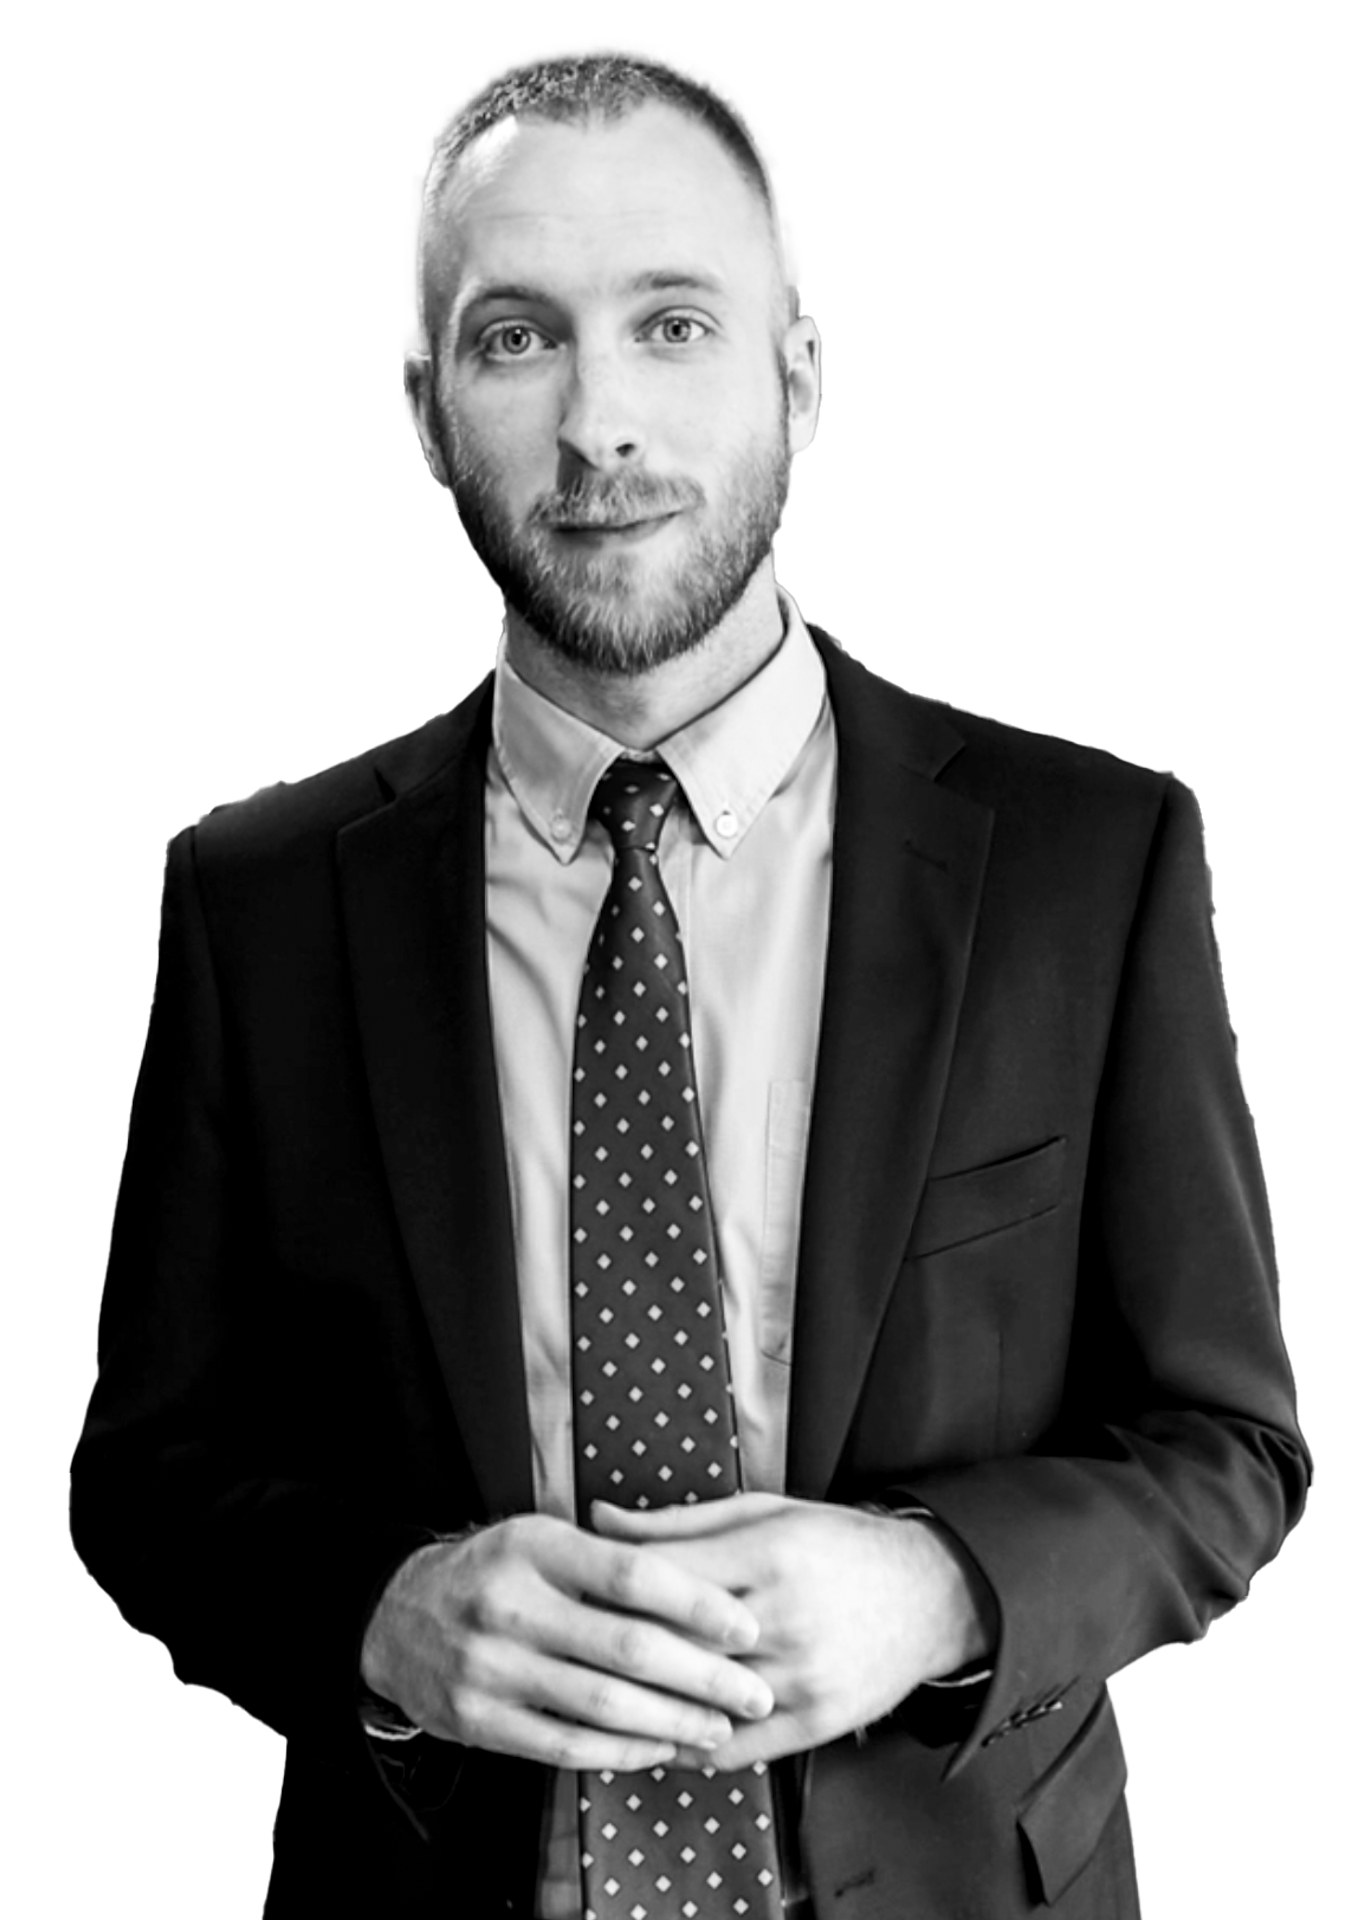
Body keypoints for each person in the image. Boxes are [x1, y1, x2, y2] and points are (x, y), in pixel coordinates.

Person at [70, 44, 1311, 1920]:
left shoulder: (1083, 863)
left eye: (670, 324)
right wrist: (384, 1621)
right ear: (423, 407)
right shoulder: (254, 906)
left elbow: (1224, 1452)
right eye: (514, 339)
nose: (597, 428)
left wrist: (943, 1588)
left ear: (795, 376)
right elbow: (156, 1476)